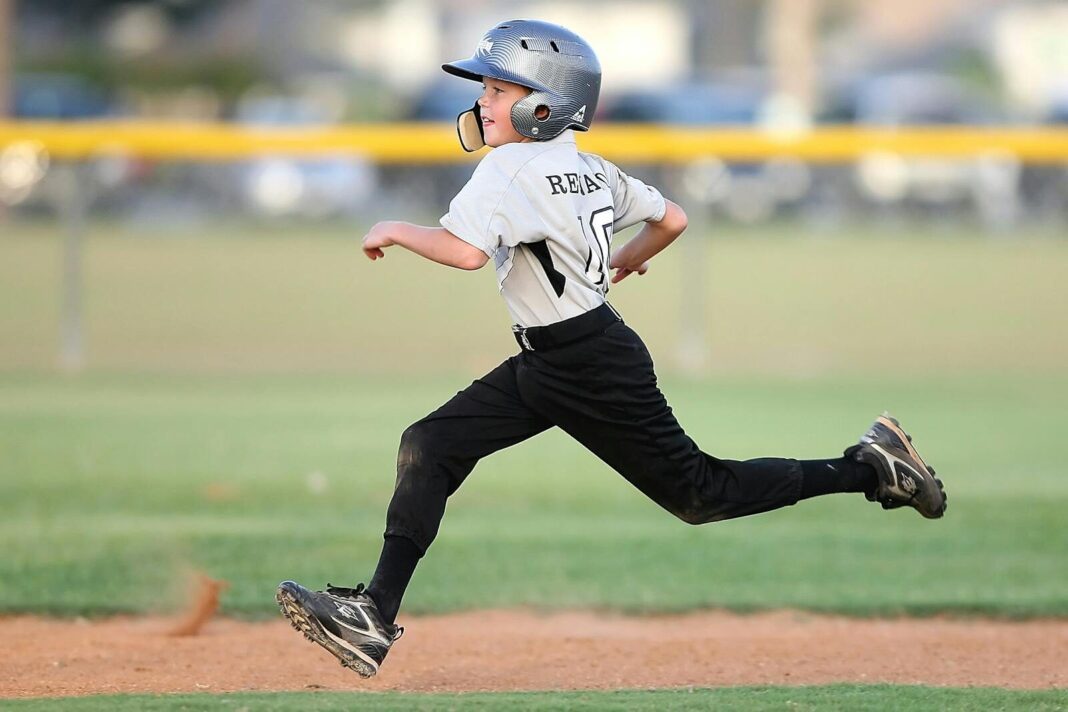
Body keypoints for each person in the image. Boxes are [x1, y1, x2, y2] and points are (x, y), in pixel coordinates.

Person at [276, 19, 947, 678]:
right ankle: (372, 613)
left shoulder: (508, 168)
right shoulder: (587, 165)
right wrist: (625, 258)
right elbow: (673, 218)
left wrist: (394, 227)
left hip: (588, 366)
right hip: (563, 356)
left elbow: (465, 253)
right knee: (431, 443)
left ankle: (871, 468)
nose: (483, 99)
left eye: (499, 89)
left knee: (701, 493)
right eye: (485, 87)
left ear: (546, 103)